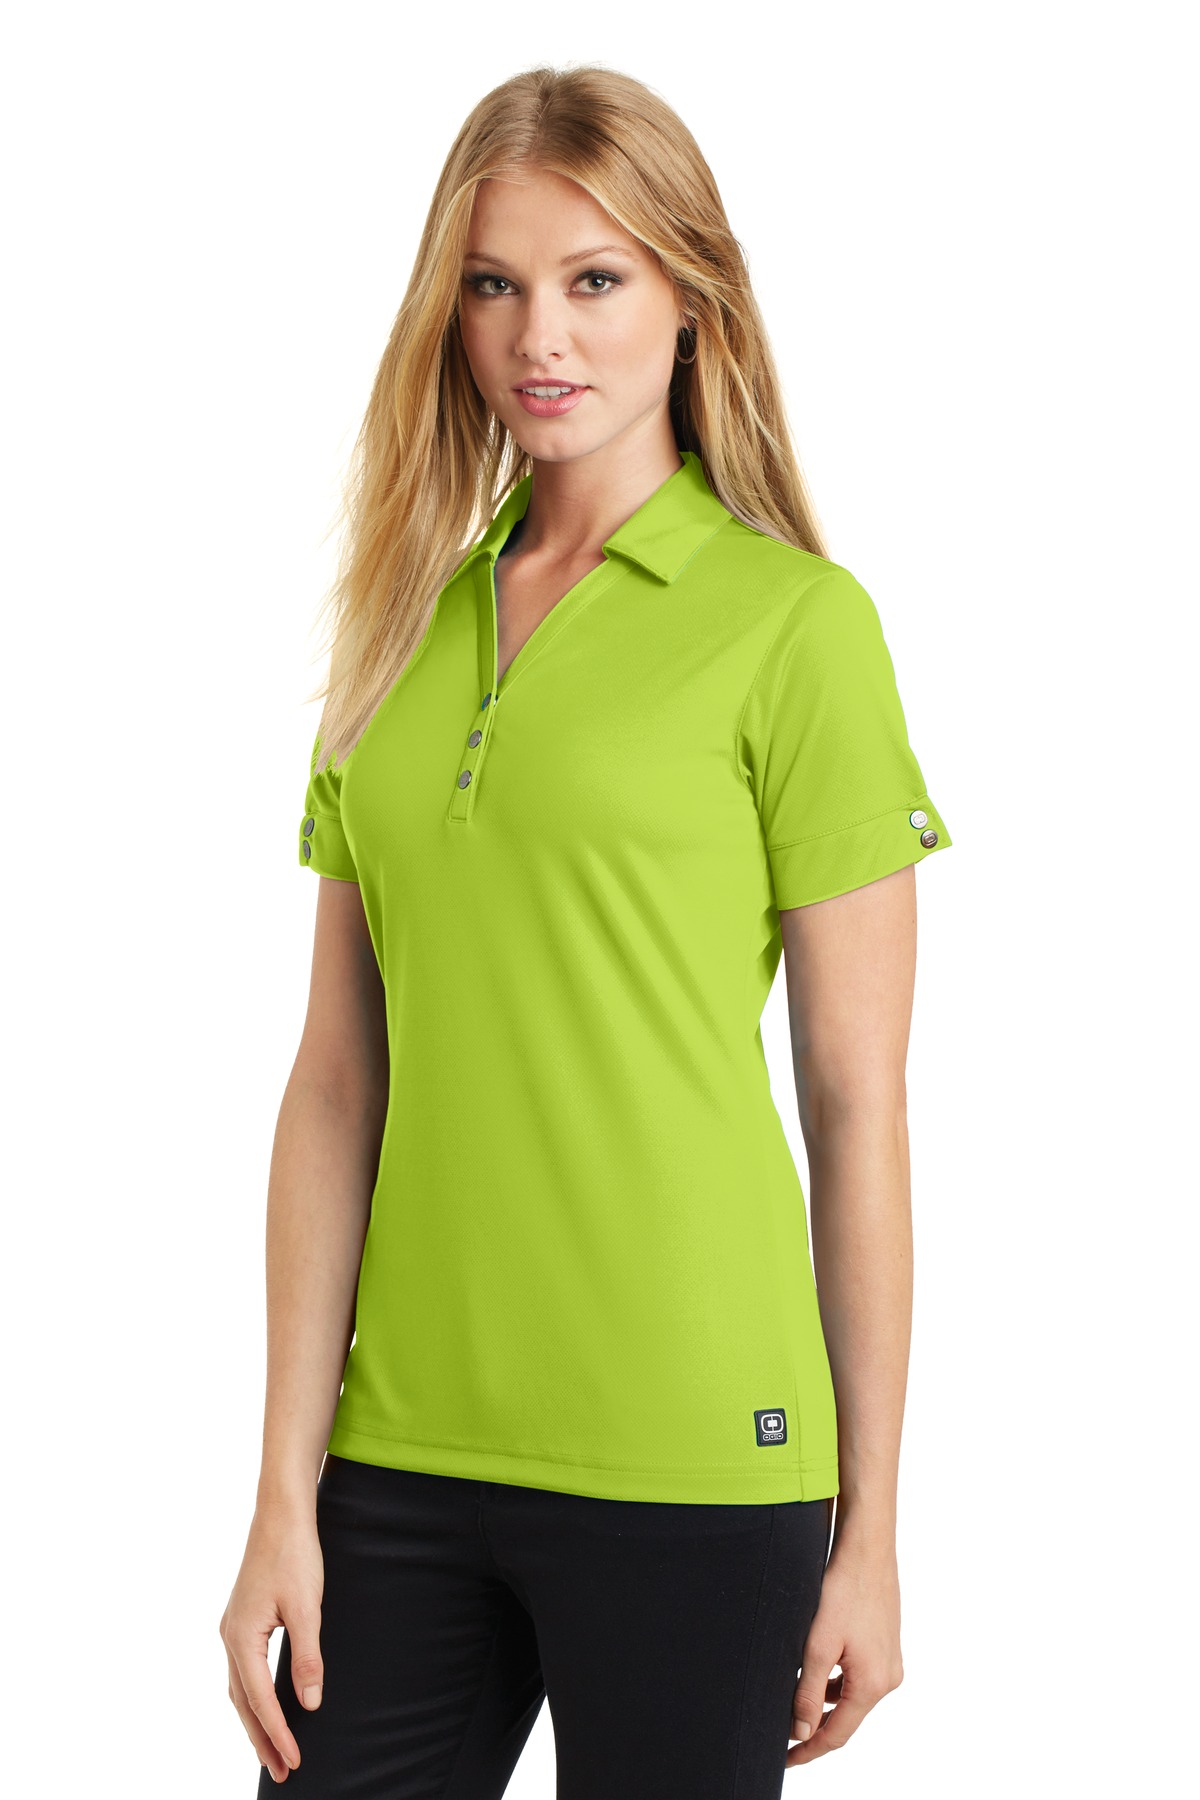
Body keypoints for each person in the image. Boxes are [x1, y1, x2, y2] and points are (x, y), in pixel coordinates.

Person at [219, 63, 953, 1800]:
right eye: (494, 284)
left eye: (594, 279)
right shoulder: (398, 626)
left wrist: (872, 1527)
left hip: (695, 1456)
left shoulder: (797, 629)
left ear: (692, 300)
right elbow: (335, 1083)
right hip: (399, 1458)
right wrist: (279, 1490)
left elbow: (857, 1102)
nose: (537, 334)